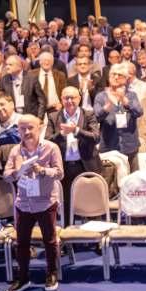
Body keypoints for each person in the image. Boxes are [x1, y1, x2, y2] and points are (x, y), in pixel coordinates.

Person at [4, 114, 64, 291]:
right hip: (23, 203)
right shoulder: (15, 151)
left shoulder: (51, 148)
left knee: (49, 240)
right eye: (23, 129)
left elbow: (60, 173)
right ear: (18, 130)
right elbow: (6, 175)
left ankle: (51, 274)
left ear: (40, 128)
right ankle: (23, 278)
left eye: (30, 127)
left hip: (46, 202)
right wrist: (17, 171)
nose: (27, 132)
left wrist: (43, 170)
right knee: (22, 242)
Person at [45, 86, 102, 222]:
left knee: (91, 204)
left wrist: (76, 130)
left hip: (86, 165)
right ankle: (67, 232)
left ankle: (94, 233)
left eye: (73, 97)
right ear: (61, 99)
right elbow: (47, 141)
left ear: (79, 99)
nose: (69, 101)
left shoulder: (88, 115)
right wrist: (61, 134)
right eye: (66, 98)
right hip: (64, 166)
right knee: (66, 205)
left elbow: (96, 137)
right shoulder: (53, 116)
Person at [94, 62, 144, 170]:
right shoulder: (101, 96)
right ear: (109, 77)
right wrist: (107, 107)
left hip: (130, 146)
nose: (116, 77)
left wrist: (125, 101)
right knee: (110, 178)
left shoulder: (131, 95)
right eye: (113, 74)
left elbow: (139, 112)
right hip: (108, 147)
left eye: (120, 75)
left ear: (126, 79)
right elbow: (96, 117)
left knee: (133, 177)